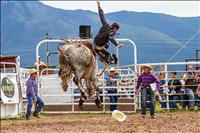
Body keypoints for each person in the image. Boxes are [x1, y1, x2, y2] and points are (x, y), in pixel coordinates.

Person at [94, 0, 124, 66]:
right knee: (108, 54)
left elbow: (102, 17)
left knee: (107, 44)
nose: (116, 32)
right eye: (116, 30)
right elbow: (110, 37)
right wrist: (117, 44)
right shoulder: (112, 31)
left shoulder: (106, 24)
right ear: (115, 28)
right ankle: (105, 62)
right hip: (99, 45)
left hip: (95, 41)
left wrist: (99, 7)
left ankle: (101, 52)